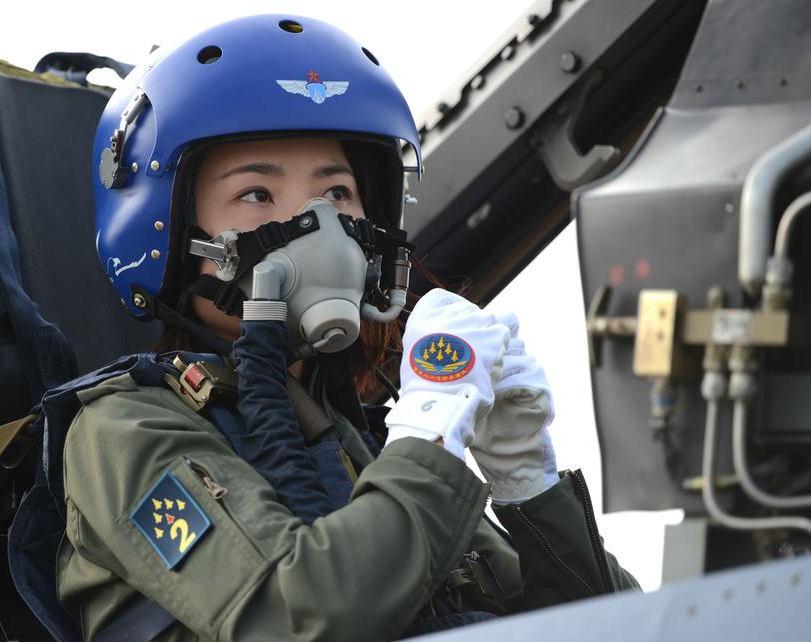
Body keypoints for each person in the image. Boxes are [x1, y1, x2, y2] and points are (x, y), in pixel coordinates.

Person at [52, 14, 640, 642]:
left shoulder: (362, 444)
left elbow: (633, 630)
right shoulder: (124, 434)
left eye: (336, 194)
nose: (318, 227)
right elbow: (303, 619)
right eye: (255, 194)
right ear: (164, 234)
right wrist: (432, 432)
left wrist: (528, 485)